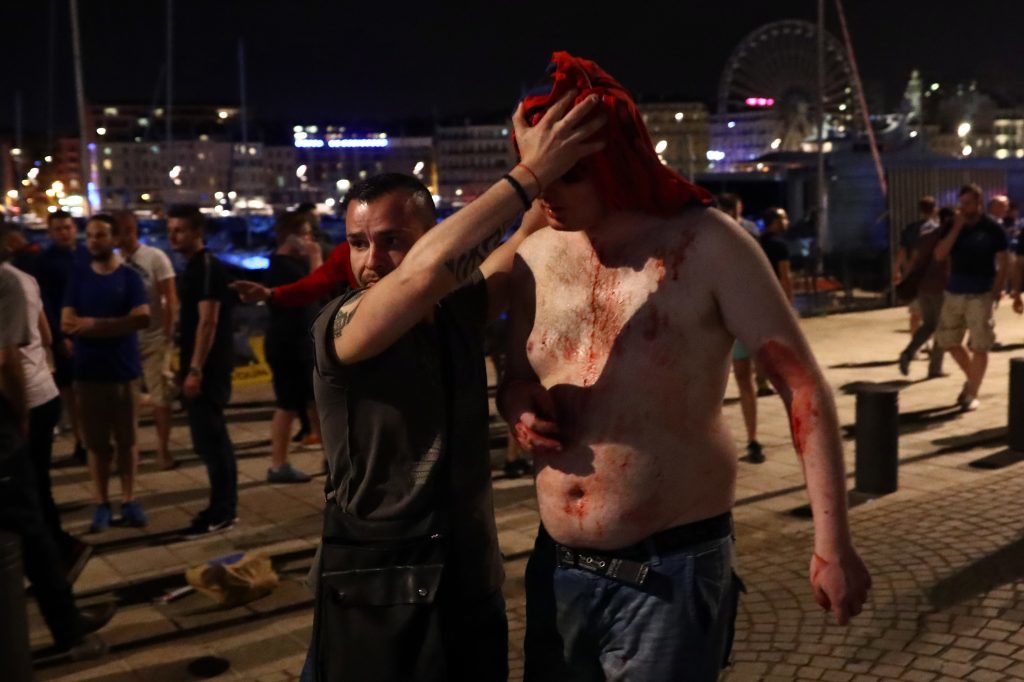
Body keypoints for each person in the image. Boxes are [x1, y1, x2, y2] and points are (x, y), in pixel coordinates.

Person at [498, 52, 870, 681]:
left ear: (615, 163)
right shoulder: (534, 253)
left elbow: (800, 383)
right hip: (557, 567)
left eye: (573, 175)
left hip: (667, 572)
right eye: (541, 173)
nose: (551, 194)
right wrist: (517, 404)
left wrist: (831, 542)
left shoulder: (707, 243)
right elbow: (512, 371)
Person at [302, 89, 604, 682]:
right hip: (377, 585)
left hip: (465, 578)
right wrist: (527, 172)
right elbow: (423, 274)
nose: (371, 260)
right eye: (359, 242)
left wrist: (544, 157)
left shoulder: (452, 310)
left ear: (430, 232)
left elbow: (515, 244)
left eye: (392, 239)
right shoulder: (340, 325)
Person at [0, 236, 115, 660]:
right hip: (15, 409)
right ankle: (69, 631)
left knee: (33, 508)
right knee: (30, 521)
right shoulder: (14, 280)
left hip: (28, 399)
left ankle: (67, 620)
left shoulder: (16, 280)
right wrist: (21, 414)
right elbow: (9, 358)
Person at [1, 224, 93, 580]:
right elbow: (46, 334)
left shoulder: (10, 282)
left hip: (26, 399)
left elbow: (8, 361)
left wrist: (19, 413)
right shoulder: (26, 280)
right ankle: (56, 551)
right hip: (41, 392)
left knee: (30, 488)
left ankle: (56, 553)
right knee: (36, 484)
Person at [62, 215, 150, 531]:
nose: (93, 242)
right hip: (88, 374)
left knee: (127, 441)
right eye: (90, 236)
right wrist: (114, 325)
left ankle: (128, 499)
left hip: (124, 372)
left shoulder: (129, 278)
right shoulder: (78, 277)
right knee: (97, 445)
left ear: (113, 239)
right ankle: (101, 503)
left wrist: (94, 326)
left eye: (100, 236)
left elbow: (142, 318)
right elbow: (67, 323)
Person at [168, 205, 239, 538]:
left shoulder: (207, 267)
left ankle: (223, 510)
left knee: (213, 440)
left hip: (208, 367)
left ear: (198, 232)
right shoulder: (192, 267)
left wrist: (195, 368)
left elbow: (208, 321)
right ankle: (220, 506)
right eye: (171, 229)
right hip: (196, 365)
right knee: (207, 441)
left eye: (180, 230)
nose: (172, 236)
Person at [933, 184, 1008, 411]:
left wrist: (996, 291)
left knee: (980, 345)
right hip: (954, 290)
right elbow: (939, 255)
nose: (964, 208)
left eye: (968, 203)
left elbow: (1004, 262)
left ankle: (972, 393)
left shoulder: (993, 228)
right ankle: (973, 379)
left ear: (978, 203)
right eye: (961, 203)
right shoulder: (952, 226)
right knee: (948, 340)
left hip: (980, 292)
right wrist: (956, 228)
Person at [114, 210, 179, 470]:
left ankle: (163, 450)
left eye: (126, 230)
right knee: (125, 401)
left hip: (154, 337)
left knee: (161, 396)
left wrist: (167, 331)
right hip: (124, 340)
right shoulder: (114, 261)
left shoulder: (155, 257)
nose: (123, 237)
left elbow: (169, 296)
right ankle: (132, 452)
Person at [264, 211, 323, 483]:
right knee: (287, 405)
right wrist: (315, 258)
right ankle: (278, 464)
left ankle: (331, 457)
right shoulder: (282, 266)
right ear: (293, 237)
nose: (311, 239)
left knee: (316, 401)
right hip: (288, 344)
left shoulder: (287, 264)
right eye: (306, 234)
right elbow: (314, 289)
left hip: (298, 342)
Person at [34, 210, 89, 461]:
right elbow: (45, 302)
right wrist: (58, 336)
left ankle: (94, 439)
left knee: (91, 391)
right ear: (51, 233)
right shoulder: (45, 262)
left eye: (67, 227)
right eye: (58, 229)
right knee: (71, 393)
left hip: (91, 330)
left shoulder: (86, 255)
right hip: (65, 334)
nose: (64, 232)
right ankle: (81, 441)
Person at [716, 194, 764, 463]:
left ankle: (752, 438)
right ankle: (746, 439)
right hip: (724, 316)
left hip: (734, 315)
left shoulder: (743, 236)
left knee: (744, 379)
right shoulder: (739, 237)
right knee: (725, 383)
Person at [897, 206, 949, 378]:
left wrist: (905, 279)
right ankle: (935, 368)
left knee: (928, 324)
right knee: (941, 327)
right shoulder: (949, 240)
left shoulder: (926, 237)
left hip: (923, 287)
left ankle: (908, 352)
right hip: (941, 288)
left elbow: (913, 260)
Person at [895, 197, 937, 338]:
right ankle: (930, 344)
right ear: (934, 209)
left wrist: (896, 271)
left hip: (914, 274)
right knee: (932, 312)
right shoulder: (938, 229)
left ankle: (916, 344)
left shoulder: (910, 229)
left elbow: (901, 252)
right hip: (933, 275)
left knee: (915, 313)